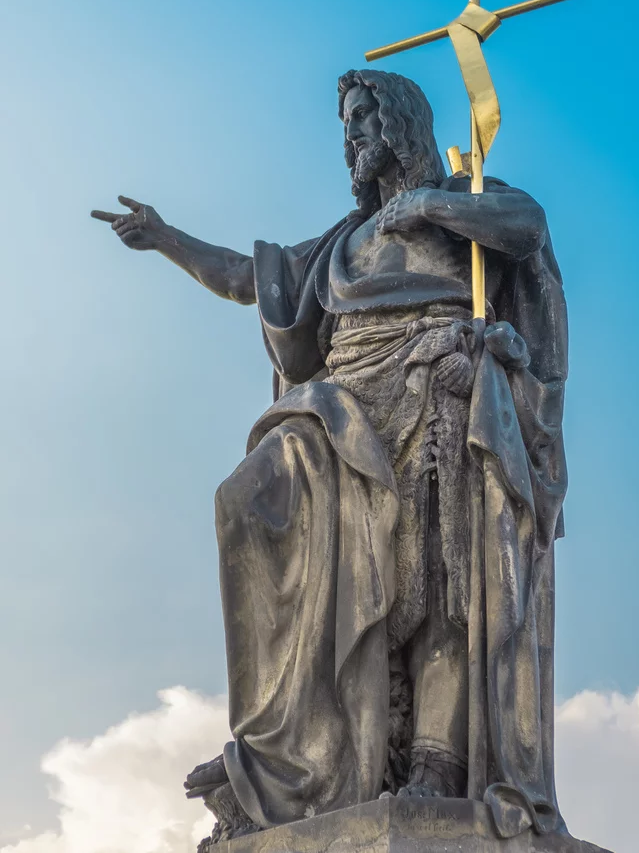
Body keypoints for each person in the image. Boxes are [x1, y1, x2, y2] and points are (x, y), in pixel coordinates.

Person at [92, 70, 568, 841]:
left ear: (401, 126)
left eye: (360, 121)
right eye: (344, 126)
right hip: (346, 408)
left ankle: (435, 760)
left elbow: (527, 225)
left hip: (437, 388)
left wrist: (432, 205)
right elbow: (250, 279)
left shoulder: (466, 202)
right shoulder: (343, 243)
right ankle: (288, 754)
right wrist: (165, 236)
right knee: (255, 496)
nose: (350, 140)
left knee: (444, 581)